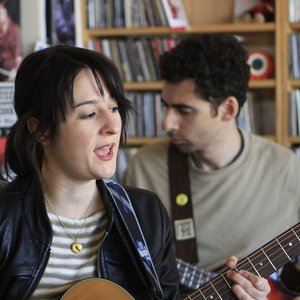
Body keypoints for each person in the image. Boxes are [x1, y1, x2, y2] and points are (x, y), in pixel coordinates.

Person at [0, 45, 270, 300]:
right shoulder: (5, 220)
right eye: (90, 114)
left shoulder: (145, 214)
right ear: (41, 130)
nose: (112, 125)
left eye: (115, 108)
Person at [122, 33, 300, 297]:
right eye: (166, 107)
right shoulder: (144, 168)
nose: (167, 123)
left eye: (183, 110)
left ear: (228, 109)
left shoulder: (289, 172)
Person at [0, 0, 22, 81]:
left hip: (12, 72)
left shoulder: (14, 30)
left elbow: (18, 57)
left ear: (5, 13)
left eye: (1, 13)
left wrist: (14, 71)